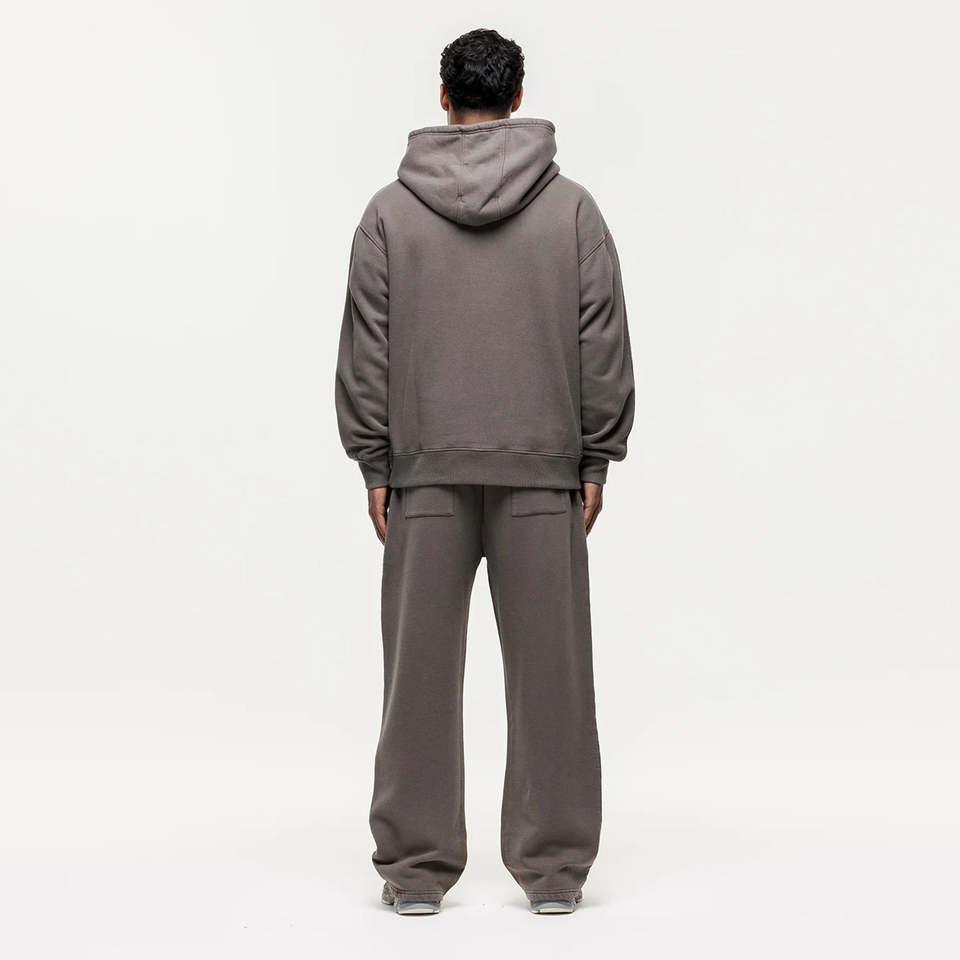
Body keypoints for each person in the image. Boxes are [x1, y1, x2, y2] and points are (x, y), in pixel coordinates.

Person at [335, 27, 635, 916]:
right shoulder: (572, 210)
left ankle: (414, 873)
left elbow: (366, 349)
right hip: (543, 471)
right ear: (518, 97)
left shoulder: (390, 213)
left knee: (417, 678)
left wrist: (374, 462)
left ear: (443, 97)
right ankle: (555, 873)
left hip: (424, 473)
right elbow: (601, 338)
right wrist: (596, 453)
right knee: (553, 678)